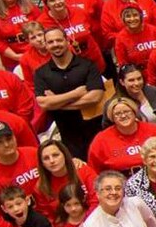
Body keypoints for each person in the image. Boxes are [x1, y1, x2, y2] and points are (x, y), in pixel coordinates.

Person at [31, 27, 106, 161]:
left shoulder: (88, 65)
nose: (55, 44)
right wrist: (76, 94)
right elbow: (43, 102)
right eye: (51, 42)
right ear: (46, 45)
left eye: (59, 40)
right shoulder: (41, 73)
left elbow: (95, 97)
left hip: (96, 131)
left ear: (67, 41)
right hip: (67, 138)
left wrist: (56, 103)